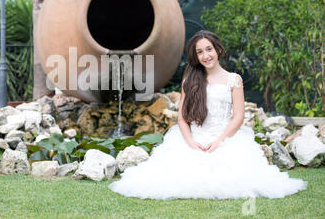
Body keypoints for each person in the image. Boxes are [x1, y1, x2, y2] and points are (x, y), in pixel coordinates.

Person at [109, 30, 307, 200]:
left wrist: (220, 141)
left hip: (225, 138)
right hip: (194, 138)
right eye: (200, 52)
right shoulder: (190, 80)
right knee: (171, 178)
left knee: (237, 178)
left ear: (218, 49)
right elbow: (182, 118)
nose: (206, 55)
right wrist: (190, 142)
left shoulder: (233, 80)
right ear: (196, 56)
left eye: (209, 49)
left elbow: (238, 116)